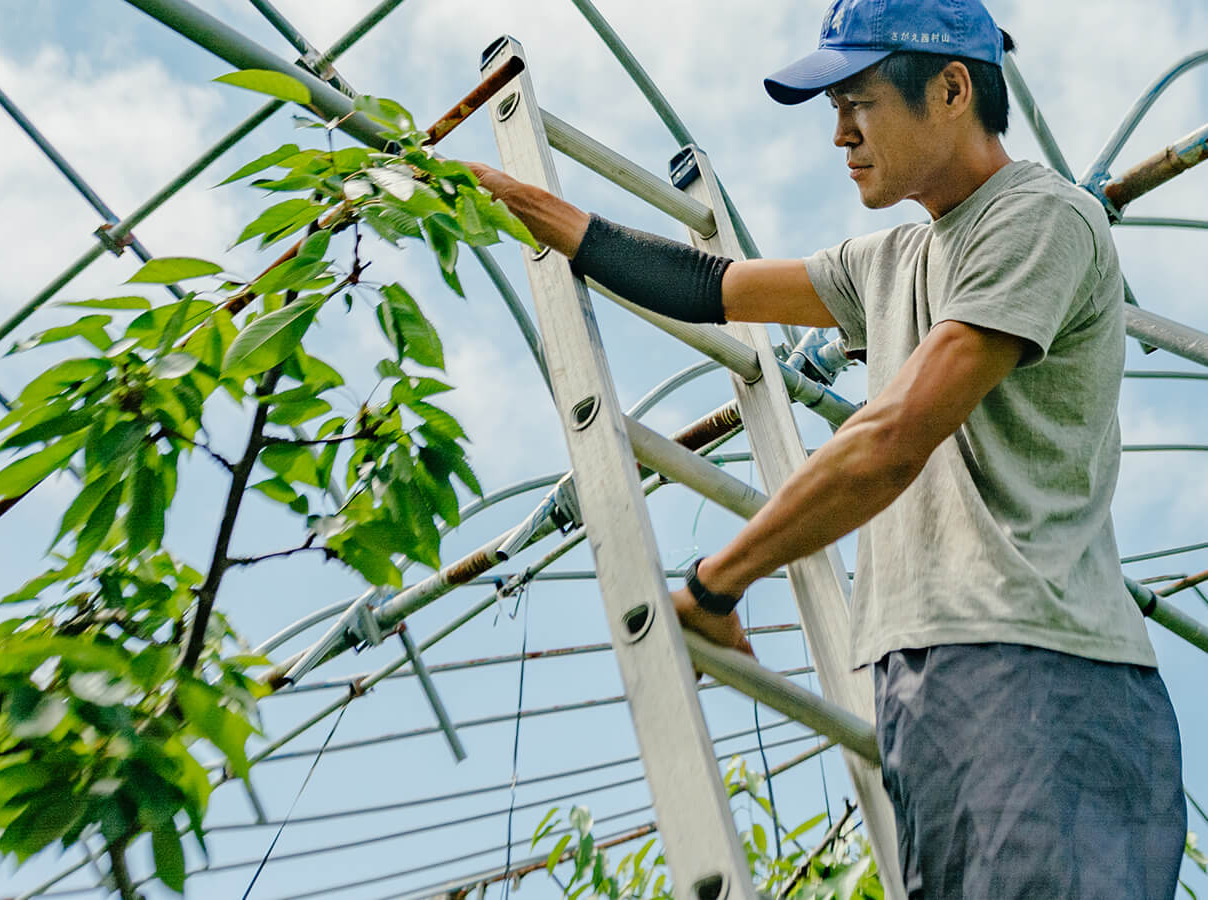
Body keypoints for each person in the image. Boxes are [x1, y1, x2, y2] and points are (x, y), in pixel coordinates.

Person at [469, 0, 1187, 896]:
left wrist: (714, 581)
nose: (840, 134)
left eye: (860, 102)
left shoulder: (1041, 218)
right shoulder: (887, 261)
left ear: (954, 88)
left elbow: (891, 439)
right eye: (832, 110)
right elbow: (710, 286)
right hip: (924, 675)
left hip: (1042, 670)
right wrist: (516, 200)